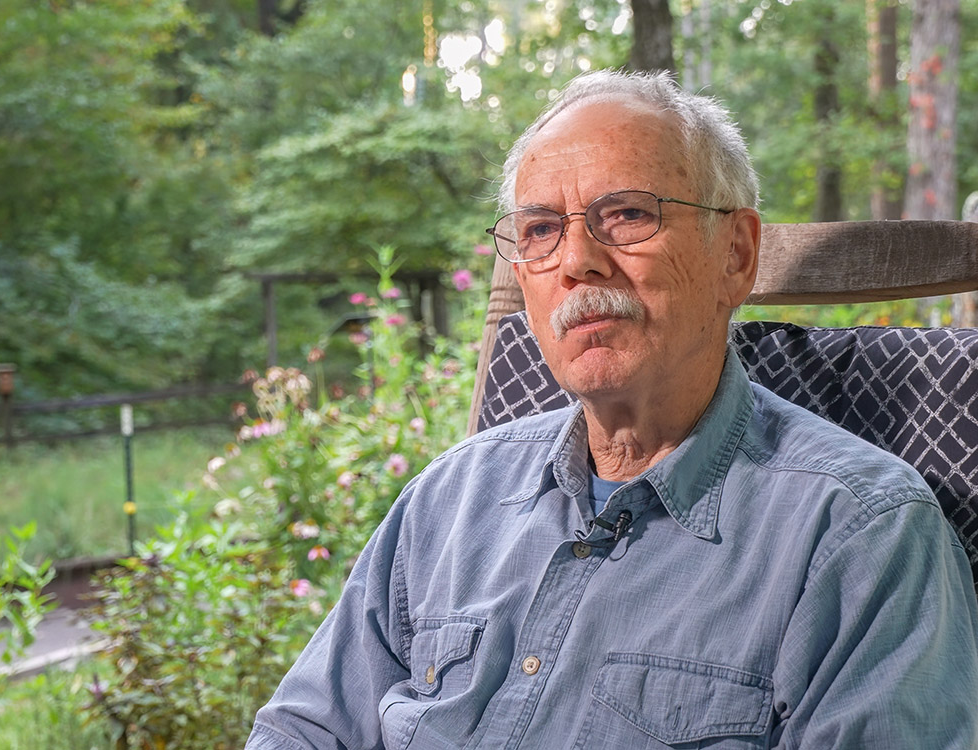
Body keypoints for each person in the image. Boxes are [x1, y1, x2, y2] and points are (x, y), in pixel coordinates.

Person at [245, 69, 978, 749]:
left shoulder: (860, 538)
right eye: (539, 231)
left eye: (626, 214)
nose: (575, 261)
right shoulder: (448, 501)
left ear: (737, 256)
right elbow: (303, 731)